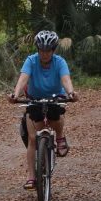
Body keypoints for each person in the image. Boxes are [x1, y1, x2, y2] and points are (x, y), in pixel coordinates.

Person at [9, 29, 78, 190]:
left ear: (53, 50)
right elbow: (23, 79)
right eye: (41, 50)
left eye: (48, 51)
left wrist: (71, 92)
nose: (44, 54)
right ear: (38, 49)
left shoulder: (59, 62)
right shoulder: (31, 61)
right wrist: (15, 94)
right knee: (33, 139)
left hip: (55, 98)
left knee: (58, 113)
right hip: (34, 99)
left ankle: (60, 137)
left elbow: (65, 79)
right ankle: (31, 177)